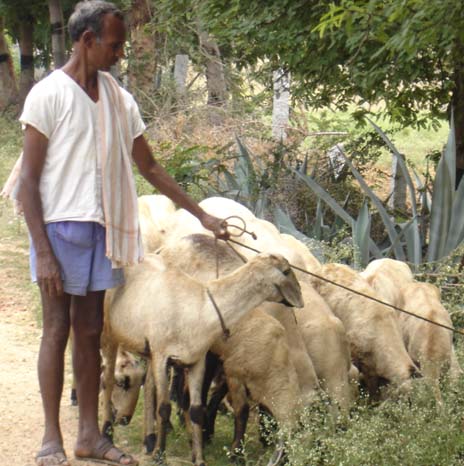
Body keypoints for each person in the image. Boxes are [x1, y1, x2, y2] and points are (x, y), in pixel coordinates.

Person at [15, 2, 229, 465]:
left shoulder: (118, 98)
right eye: (114, 45)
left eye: (121, 45)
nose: (120, 53)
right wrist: (44, 252)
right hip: (58, 230)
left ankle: (89, 436)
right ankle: (52, 437)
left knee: (91, 332)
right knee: (57, 330)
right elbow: (28, 183)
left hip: (103, 229)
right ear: (87, 40)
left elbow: (147, 164)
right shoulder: (47, 95)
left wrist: (202, 215)